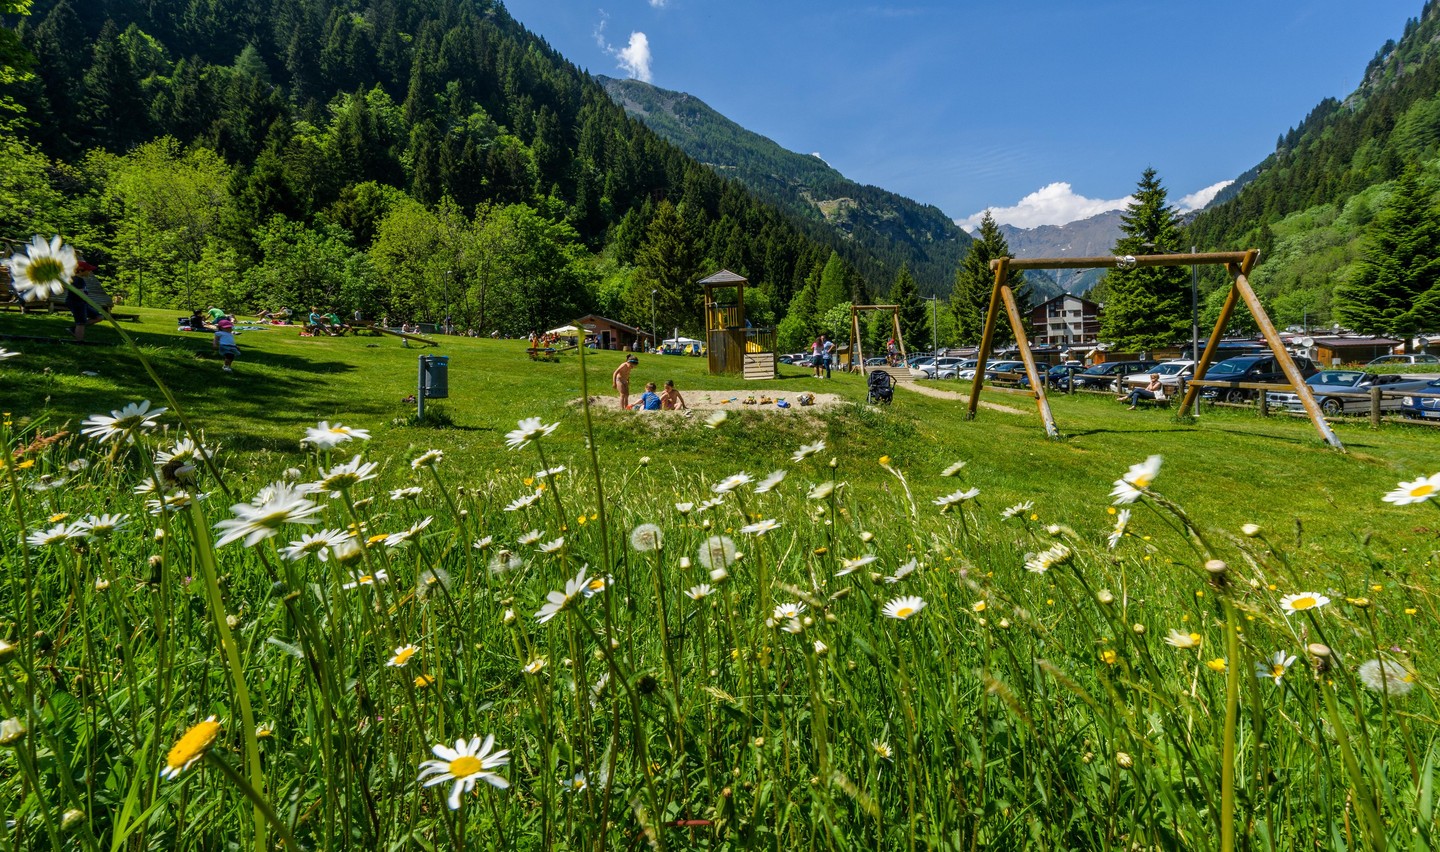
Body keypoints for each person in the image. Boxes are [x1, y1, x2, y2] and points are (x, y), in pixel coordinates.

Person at [66, 261, 103, 342]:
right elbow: (80, 293)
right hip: (76, 303)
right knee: (81, 322)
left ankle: (73, 329)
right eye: (88, 270)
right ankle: (79, 341)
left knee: (99, 317)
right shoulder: (77, 280)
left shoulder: (81, 280)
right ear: (80, 271)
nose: (90, 272)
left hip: (83, 303)